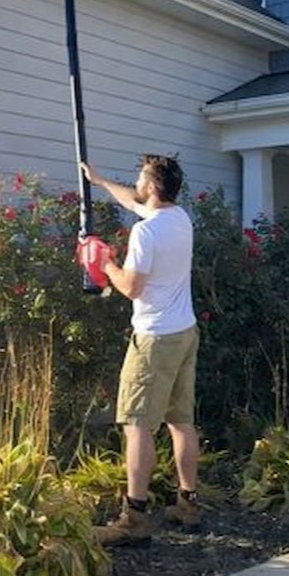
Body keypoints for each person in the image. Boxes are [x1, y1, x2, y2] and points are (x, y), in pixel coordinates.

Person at [81, 154, 200, 547]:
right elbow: (131, 201)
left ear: (151, 186)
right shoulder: (179, 218)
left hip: (154, 340)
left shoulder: (146, 234)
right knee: (180, 421)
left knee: (137, 426)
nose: (135, 184)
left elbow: (131, 287)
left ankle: (134, 518)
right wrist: (98, 180)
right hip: (185, 332)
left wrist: (104, 261)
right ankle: (187, 504)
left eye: (139, 179)